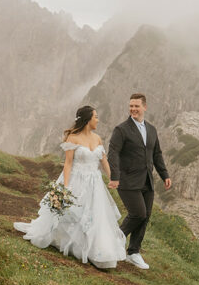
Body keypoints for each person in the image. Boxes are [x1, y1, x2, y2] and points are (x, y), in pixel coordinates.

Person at [14, 106, 128, 268]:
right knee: (74, 213)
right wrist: (65, 188)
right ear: (88, 119)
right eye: (95, 117)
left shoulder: (97, 139)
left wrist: (113, 178)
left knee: (95, 215)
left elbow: (103, 161)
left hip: (94, 184)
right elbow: (68, 164)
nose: (98, 119)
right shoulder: (72, 138)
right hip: (76, 180)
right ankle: (72, 242)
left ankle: (97, 249)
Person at [107, 93, 171, 269]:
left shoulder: (151, 129)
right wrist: (115, 176)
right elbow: (112, 153)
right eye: (131, 106)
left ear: (145, 107)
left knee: (145, 217)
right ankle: (114, 240)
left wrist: (165, 174)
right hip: (127, 180)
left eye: (136, 106)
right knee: (138, 214)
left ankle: (134, 252)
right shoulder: (121, 129)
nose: (133, 109)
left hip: (147, 180)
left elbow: (156, 154)